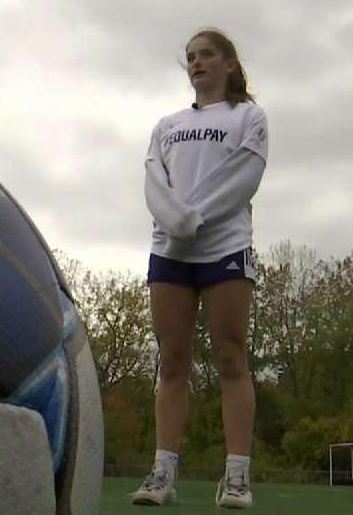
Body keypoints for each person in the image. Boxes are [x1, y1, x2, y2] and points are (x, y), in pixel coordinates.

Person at [131, 29, 268, 509]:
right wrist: (175, 221)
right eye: (190, 57)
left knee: (231, 357)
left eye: (207, 54)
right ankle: (162, 474)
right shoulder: (166, 124)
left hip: (225, 248)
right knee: (171, 361)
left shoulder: (248, 117)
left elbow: (243, 177)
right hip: (170, 251)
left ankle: (236, 478)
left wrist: (193, 218)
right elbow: (153, 181)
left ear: (229, 64)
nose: (196, 62)